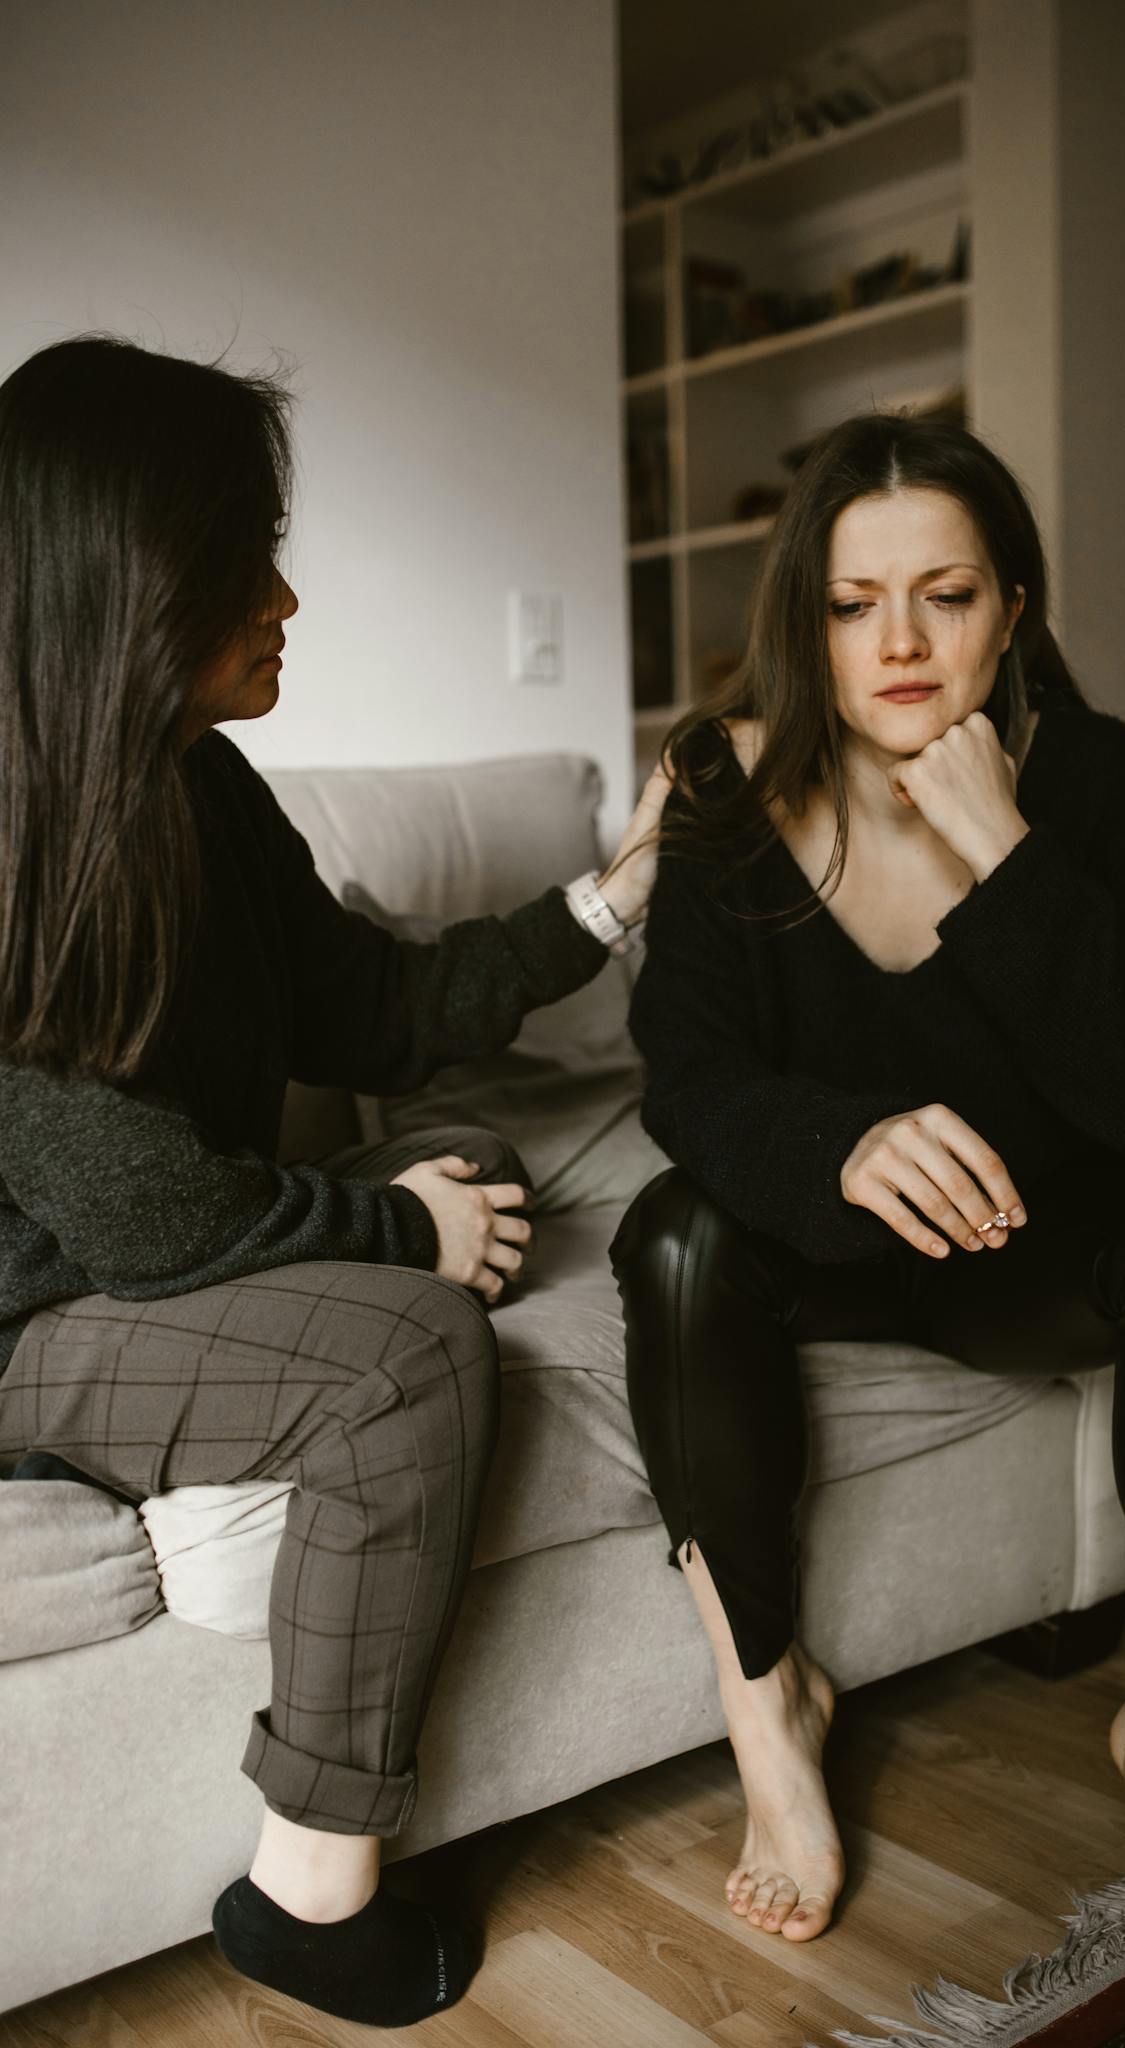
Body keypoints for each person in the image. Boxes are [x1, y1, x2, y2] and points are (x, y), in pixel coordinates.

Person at [0, 333, 669, 2029]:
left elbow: (372, 1007)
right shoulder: (13, 831)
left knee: (477, 1163)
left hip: (167, 1248)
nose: (285, 598)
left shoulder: (206, 791)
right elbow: (142, 1219)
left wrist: (614, 890)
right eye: (249, 559)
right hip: (28, 1322)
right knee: (408, 1352)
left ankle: (393, 1251)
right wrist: (393, 1240)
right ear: (137, 579)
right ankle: (310, 1892)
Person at [609, 411, 1125, 1996]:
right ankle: (772, 1710)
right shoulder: (723, 785)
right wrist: (836, 1144)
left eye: (946, 594)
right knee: (670, 1232)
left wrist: (1005, 859)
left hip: (1035, 1256)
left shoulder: (1101, 780)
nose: (899, 642)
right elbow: (688, 1080)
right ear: (805, 618)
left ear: (1015, 608)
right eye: (853, 605)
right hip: (820, 1256)